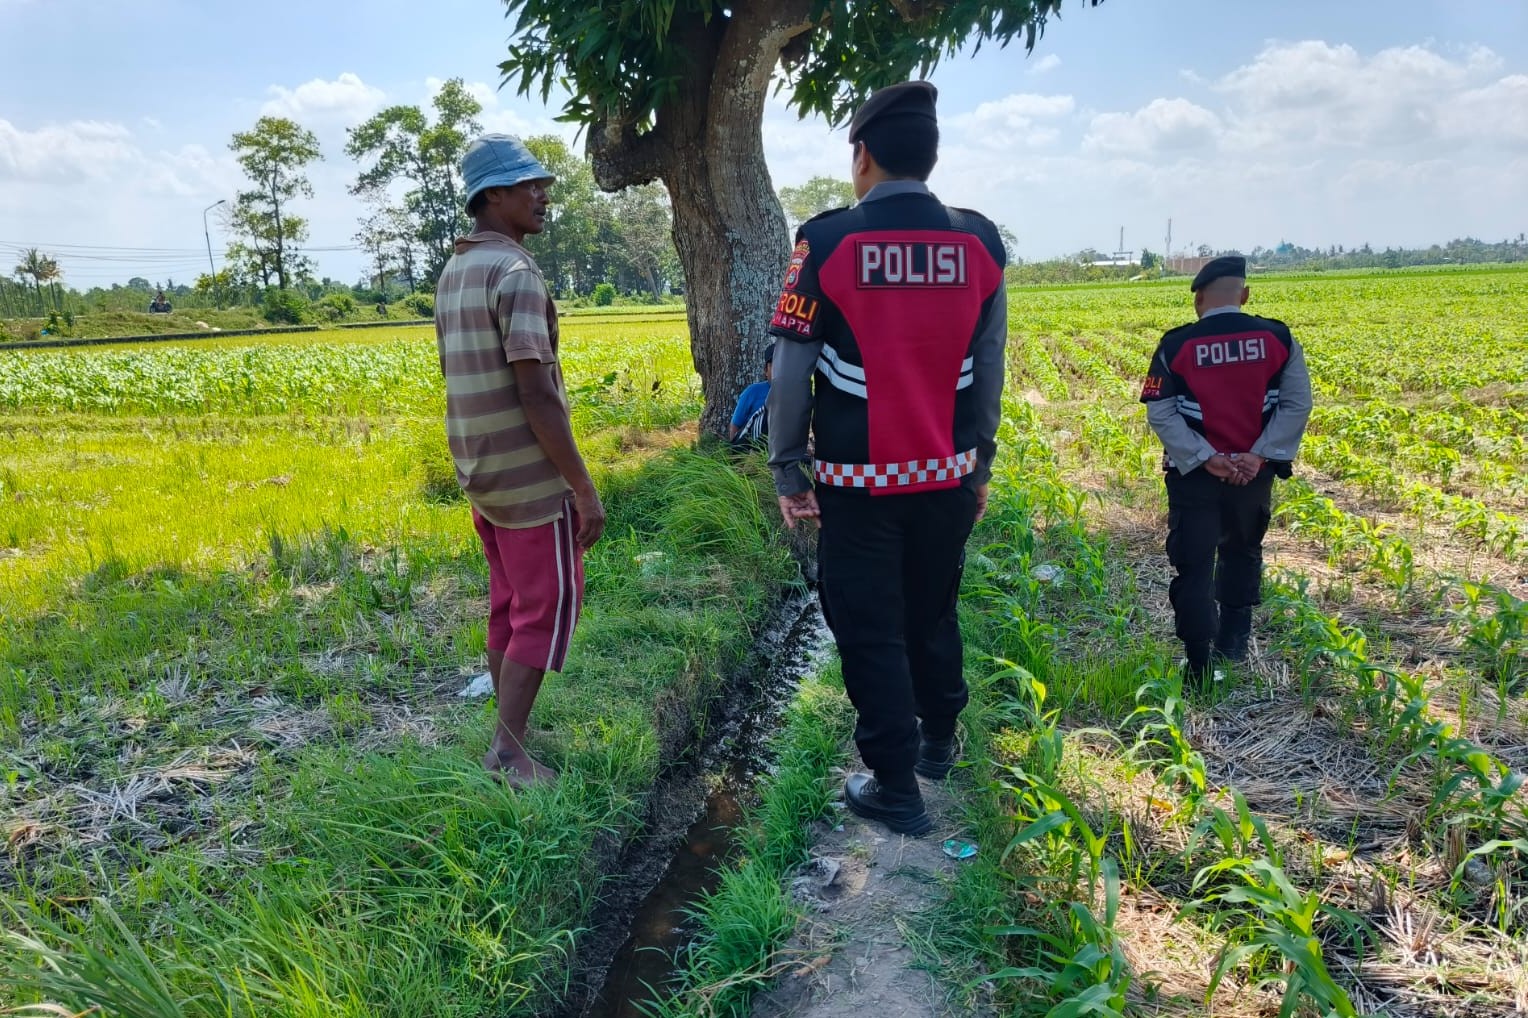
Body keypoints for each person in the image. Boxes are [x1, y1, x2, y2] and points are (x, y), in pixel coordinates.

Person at [766, 81, 1007, 836]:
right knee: (932, 605)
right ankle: (939, 738)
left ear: (862, 154)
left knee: (870, 625)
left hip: (855, 483)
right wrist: (980, 465)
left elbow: (790, 368)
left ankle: (896, 783)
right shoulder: (981, 243)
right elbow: (989, 363)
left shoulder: (826, 243)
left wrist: (786, 469)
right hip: (946, 476)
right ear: (931, 157)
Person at [435, 134, 607, 786]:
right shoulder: (515, 274)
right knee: (548, 604)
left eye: (543, 184)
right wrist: (582, 487)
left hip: (483, 474)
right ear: (492, 197)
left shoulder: (456, 272)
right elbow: (535, 390)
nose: (543, 195)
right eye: (528, 185)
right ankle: (509, 754)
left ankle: (507, 736)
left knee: (509, 603)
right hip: (530, 479)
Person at [1140, 255, 1312, 687]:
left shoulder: (1176, 345)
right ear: (1246, 295)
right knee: (1242, 549)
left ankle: (1198, 664)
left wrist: (1203, 457)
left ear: (1198, 300)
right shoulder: (1278, 338)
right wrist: (1258, 455)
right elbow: (1296, 404)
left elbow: (1160, 412)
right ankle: (1234, 644)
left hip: (1194, 475)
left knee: (1195, 564)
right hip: (1254, 476)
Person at [728, 342, 773, 446]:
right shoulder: (753, 392)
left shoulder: (793, 395)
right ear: (766, 371)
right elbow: (735, 425)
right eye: (774, 366)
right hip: (754, 448)